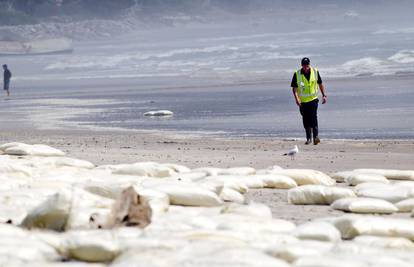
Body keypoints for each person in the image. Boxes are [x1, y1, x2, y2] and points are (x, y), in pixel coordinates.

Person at [291, 57, 327, 145]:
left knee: (313, 117)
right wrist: (297, 99)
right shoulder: (297, 74)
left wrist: (324, 95)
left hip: (313, 99)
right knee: (305, 119)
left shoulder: (315, 71)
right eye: (304, 65)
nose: (306, 67)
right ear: (301, 65)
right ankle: (308, 138)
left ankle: (315, 137)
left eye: (307, 65)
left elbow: (320, 83)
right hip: (302, 101)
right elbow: (294, 88)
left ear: (309, 64)